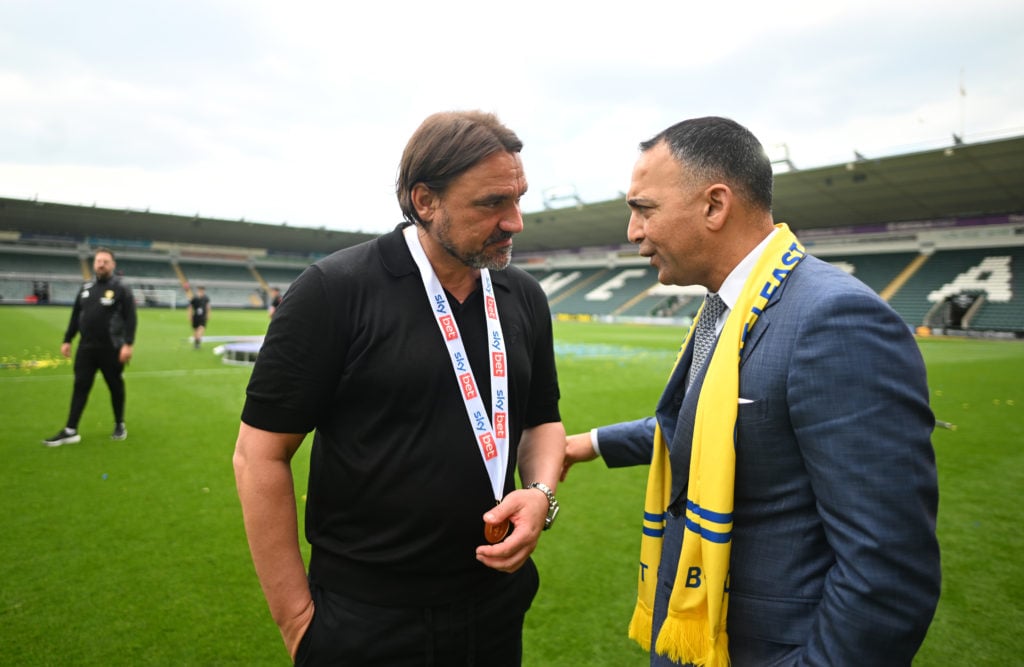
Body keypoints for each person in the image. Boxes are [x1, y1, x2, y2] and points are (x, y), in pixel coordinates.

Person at [562, 117, 940, 666]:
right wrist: (589, 444)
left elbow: (888, 571)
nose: (633, 233)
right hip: (696, 633)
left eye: (644, 209)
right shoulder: (729, 305)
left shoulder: (834, 319)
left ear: (715, 206)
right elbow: (719, 425)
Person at [233, 110, 566, 666]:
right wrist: (298, 621)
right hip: (366, 619)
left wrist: (540, 492)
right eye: (492, 203)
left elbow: (541, 421)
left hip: (495, 603)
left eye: (518, 198)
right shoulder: (334, 290)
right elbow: (258, 456)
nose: (515, 222)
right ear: (425, 200)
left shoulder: (522, 295)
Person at [43, 247, 137, 446]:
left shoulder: (121, 288)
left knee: (115, 386)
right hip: (86, 349)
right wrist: (68, 339)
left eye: (105, 261)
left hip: (111, 348)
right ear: (94, 263)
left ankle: (119, 423)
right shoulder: (86, 287)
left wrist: (128, 344)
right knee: (80, 386)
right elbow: (76, 315)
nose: (101, 264)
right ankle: (71, 430)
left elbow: (131, 318)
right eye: (98, 261)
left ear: (113, 265)